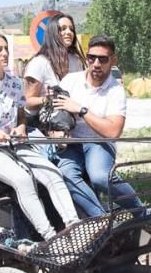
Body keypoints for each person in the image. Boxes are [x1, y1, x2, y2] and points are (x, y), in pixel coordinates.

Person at [0, 32, 79, 241]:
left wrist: (21, 128)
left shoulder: (15, 83)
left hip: (15, 143)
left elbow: (20, 116)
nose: (5, 53)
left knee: (52, 174)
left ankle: (74, 227)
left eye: (6, 48)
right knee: (23, 180)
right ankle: (49, 236)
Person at [52, 35, 145, 217]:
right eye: (91, 58)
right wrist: (56, 133)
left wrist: (81, 110)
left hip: (99, 143)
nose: (96, 63)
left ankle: (141, 213)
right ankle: (101, 220)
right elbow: (53, 116)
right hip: (70, 144)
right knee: (65, 174)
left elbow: (112, 132)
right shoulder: (70, 81)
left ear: (113, 60)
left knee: (100, 176)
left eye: (102, 59)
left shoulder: (116, 91)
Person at [23, 13, 86, 119]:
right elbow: (26, 102)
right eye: (63, 29)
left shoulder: (76, 61)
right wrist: (47, 99)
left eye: (71, 29)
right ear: (52, 32)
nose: (68, 32)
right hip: (44, 123)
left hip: (74, 120)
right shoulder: (39, 63)